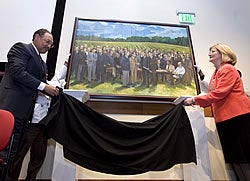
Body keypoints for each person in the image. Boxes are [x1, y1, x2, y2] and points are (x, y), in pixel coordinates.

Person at [184, 43, 250, 181]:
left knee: (242, 158)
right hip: (225, 119)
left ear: (222, 53)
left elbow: (219, 93)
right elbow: (211, 90)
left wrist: (194, 100)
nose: (209, 54)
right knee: (234, 158)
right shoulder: (217, 72)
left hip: (237, 119)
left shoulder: (228, 69)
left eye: (212, 51)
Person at [0, 28, 59, 180]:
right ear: (36, 37)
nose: (48, 46)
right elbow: (18, 72)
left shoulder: (42, 63)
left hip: (24, 115)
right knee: (3, 152)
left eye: (51, 45)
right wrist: (44, 87)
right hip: (11, 109)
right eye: (47, 42)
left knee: (12, 154)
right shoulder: (21, 48)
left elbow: (42, 85)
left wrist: (55, 91)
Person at [10, 58, 68, 181]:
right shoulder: (32, 82)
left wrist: (67, 64)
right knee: (19, 156)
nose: (45, 74)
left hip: (43, 126)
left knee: (38, 157)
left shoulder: (48, 83)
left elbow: (57, 78)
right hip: (31, 124)